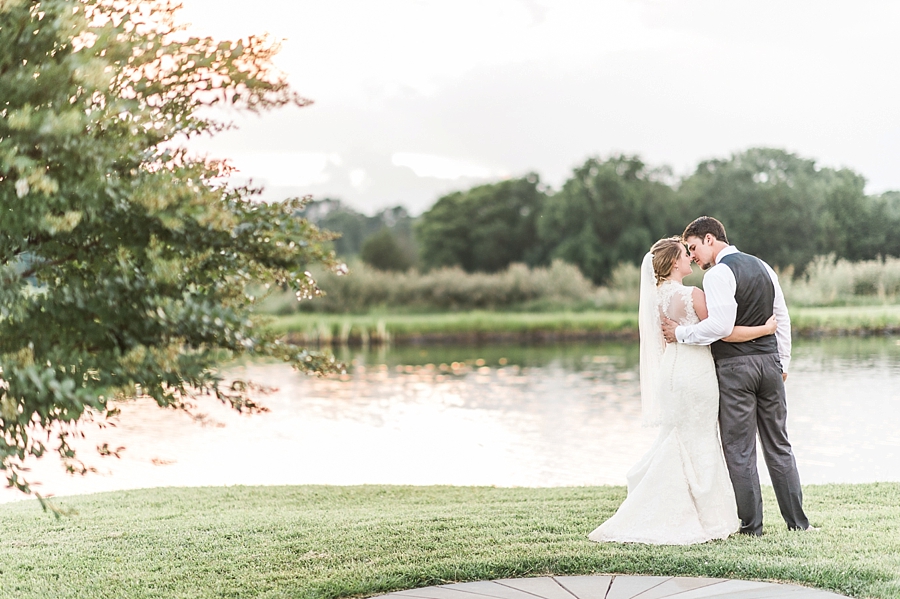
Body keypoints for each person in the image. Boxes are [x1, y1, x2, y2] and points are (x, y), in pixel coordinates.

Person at [589, 236, 777, 545]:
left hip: (670, 373)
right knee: (700, 437)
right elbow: (723, 332)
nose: (690, 257)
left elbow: (665, 339)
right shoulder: (692, 294)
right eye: (684, 254)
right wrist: (765, 330)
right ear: (674, 262)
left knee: (677, 435)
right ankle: (704, 514)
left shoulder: (656, 297)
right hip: (696, 374)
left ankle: (668, 505)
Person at [662, 216, 812, 535]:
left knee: (740, 449)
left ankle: (751, 526)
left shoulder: (719, 274)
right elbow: (781, 318)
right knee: (779, 445)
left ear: (710, 239)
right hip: (770, 364)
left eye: (693, 248)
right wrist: (782, 362)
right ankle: (798, 524)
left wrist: (681, 333)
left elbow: (720, 327)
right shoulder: (764, 267)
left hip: (735, 369)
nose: (693, 257)